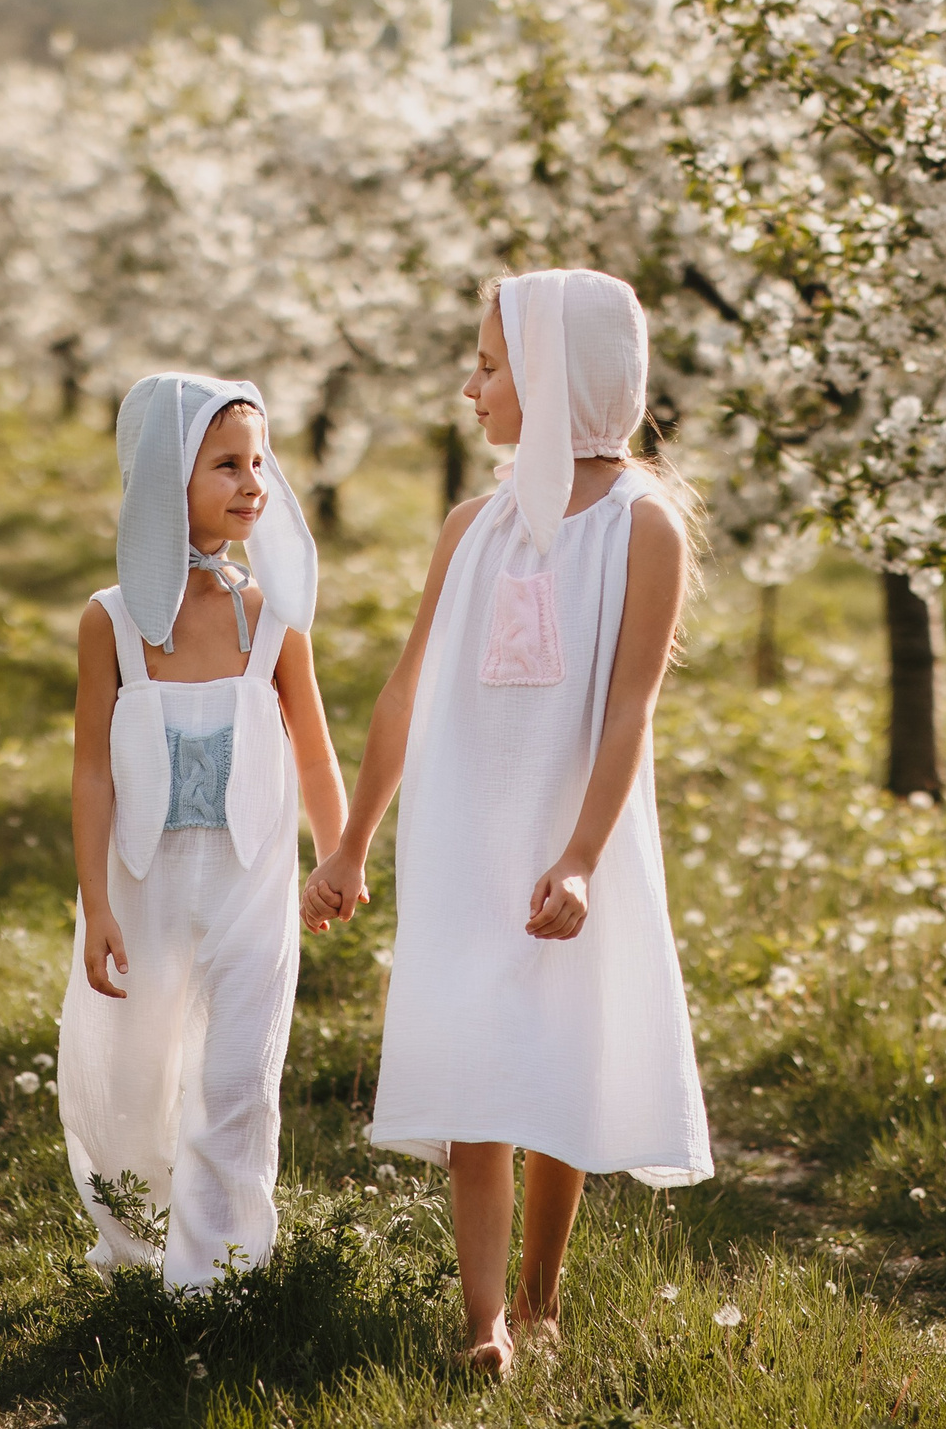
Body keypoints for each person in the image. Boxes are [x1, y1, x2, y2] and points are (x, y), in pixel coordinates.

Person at [302, 269, 713, 1375]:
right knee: (474, 1059)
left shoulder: (643, 528)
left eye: (489, 366)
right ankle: (483, 1322)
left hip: (570, 833)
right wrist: (352, 840)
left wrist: (579, 857)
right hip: (462, 832)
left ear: (553, 376)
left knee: (554, 1057)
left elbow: (630, 706)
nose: (469, 385)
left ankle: (541, 1300)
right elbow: (406, 691)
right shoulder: (473, 525)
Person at [58, 372, 348, 1288]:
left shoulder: (273, 619)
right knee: (132, 1081)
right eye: (225, 463)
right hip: (142, 887)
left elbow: (312, 751)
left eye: (259, 460)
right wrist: (96, 903)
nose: (252, 481)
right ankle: (139, 1251)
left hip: (250, 888)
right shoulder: (110, 623)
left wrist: (339, 852)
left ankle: (222, 1271)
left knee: (235, 1081)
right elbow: (94, 767)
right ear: (162, 481)